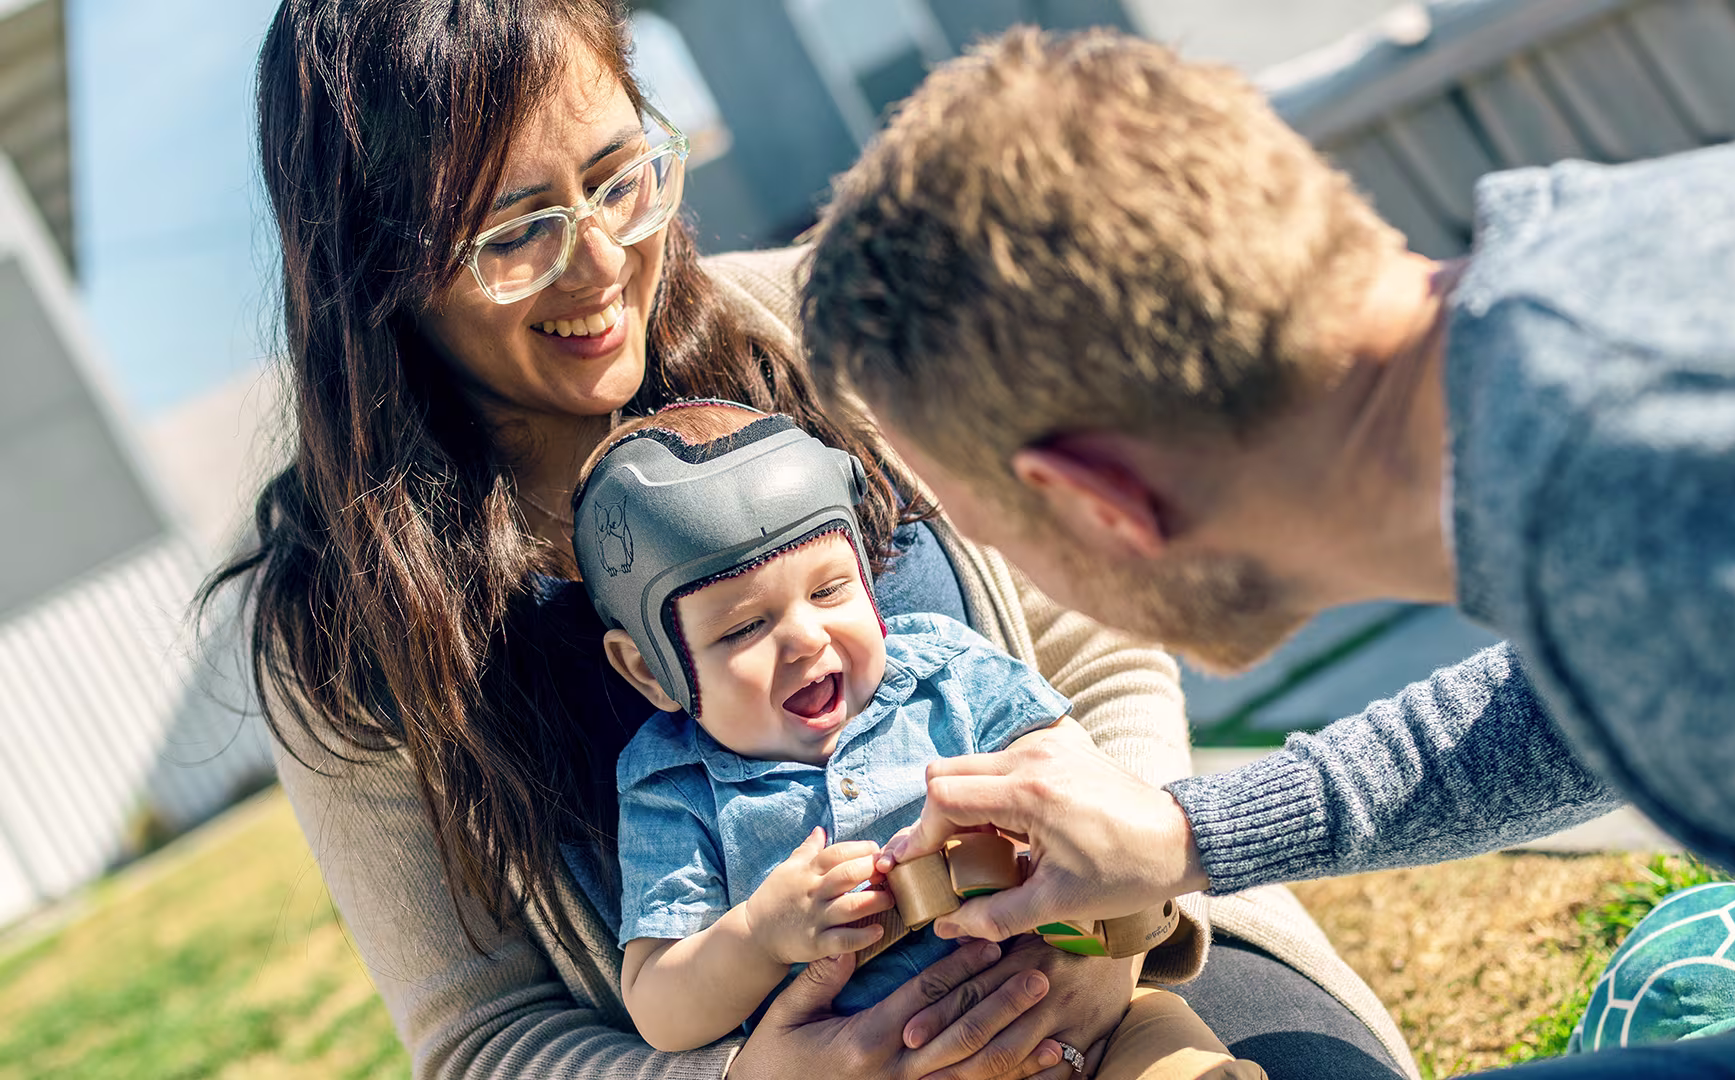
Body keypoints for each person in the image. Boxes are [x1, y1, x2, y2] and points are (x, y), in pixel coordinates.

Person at [203, 3, 1418, 1078]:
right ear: (377, 265)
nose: (604, 261)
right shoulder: (340, 627)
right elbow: (478, 1036)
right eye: (515, 232)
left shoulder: (817, 325)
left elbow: (1091, 656)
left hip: (1129, 970)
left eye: (619, 176)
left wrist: (1114, 921)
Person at [801, 26, 1735, 1075]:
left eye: (990, 531)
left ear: (1100, 501)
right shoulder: (1594, 321)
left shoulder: (1649, 509)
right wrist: (1186, 831)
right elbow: (1593, 694)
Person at [577, 402, 1258, 1080]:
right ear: (650, 668)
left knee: (1166, 1046)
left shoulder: (950, 673)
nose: (806, 639)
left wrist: (1040, 848)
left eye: (830, 590)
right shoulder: (673, 786)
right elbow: (662, 1006)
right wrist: (759, 934)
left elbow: (1085, 784)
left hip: (1082, 1019)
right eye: (742, 629)